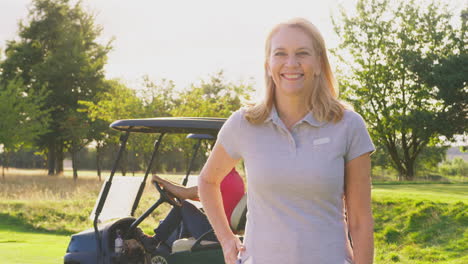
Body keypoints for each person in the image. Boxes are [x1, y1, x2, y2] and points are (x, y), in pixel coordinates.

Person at [198, 18, 375, 264]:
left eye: (302, 53)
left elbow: (360, 221)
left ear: (319, 63)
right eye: (280, 54)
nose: (291, 63)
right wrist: (227, 240)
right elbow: (207, 181)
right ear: (268, 65)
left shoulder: (349, 125)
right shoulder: (244, 123)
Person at [136, 168, 245, 253]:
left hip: (216, 233)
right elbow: (192, 194)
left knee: (184, 206)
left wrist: (161, 181)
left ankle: (154, 241)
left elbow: (186, 193)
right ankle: (173, 253)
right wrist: (169, 186)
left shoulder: (221, 179)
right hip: (222, 231)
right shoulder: (235, 179)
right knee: (187, 208)